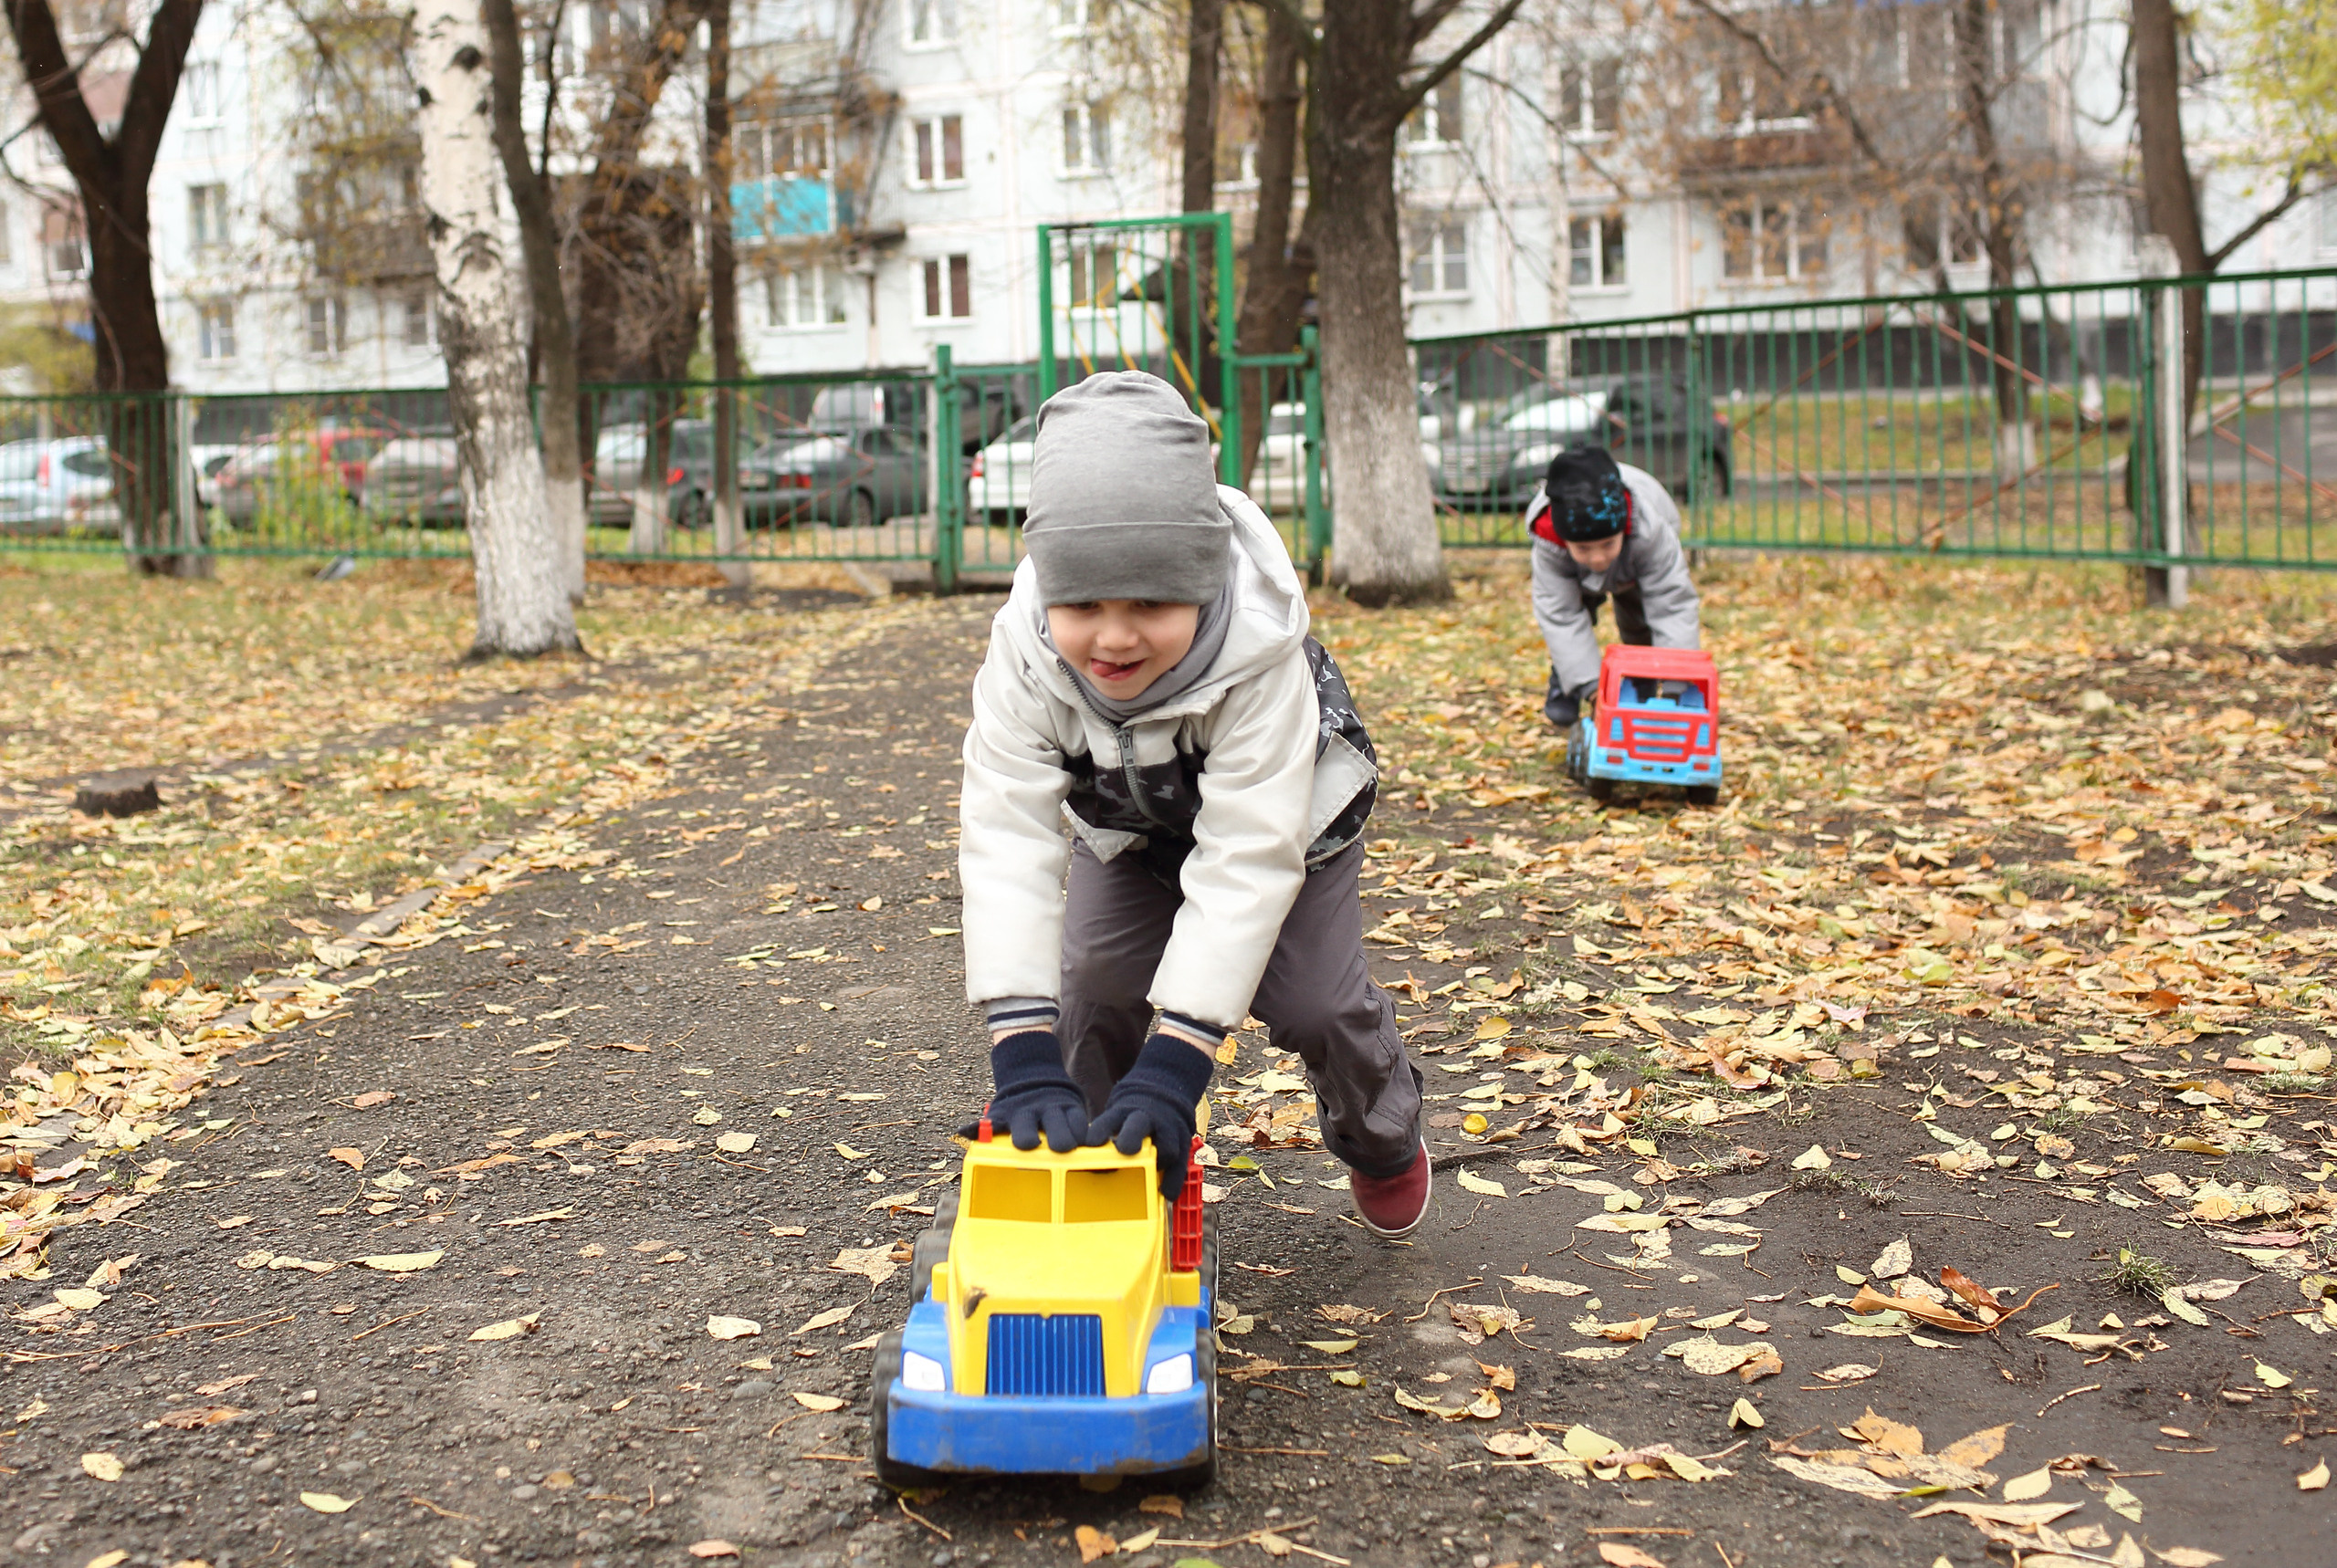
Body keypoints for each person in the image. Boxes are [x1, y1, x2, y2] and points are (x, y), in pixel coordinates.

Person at [957, 371, 1430, 1239]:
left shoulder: (1259, 657)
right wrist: (1020, 1052)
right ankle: (1099, 1177)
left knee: (1314, 1006)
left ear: (1205, 581)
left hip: (1290, 835)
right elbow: (1004, 832)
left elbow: (1248, 854)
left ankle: (1383, 1130)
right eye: (1082, 605)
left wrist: (1177, 1067)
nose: (1114, 637)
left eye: (1150, 603)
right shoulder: (1023, 657)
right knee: (1094, 988)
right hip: (1131, 836)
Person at [1525, 445, 1703, 730]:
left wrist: (1676, 684)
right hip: (1575, 573)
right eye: (1584, 548)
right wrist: (1596, 690)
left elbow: (1672, 604)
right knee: (1574, 621)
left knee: (1639, 619)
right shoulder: (1550, 543)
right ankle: (1569, 680)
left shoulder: (1650, 530)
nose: (1597, 558)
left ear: (1622, 528)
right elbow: (1561, 615)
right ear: (1564, 538)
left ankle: (1641, 687)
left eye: (1607, 544)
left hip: (1635, 562)